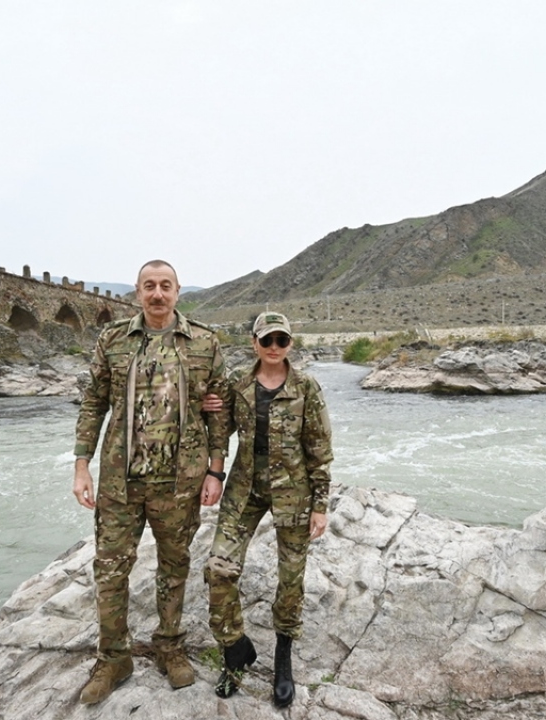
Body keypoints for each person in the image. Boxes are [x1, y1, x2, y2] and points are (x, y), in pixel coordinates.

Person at [71, 259, 229, 705]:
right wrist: (81, 464)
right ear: (138, 293)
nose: (157, 294)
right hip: (121, 481)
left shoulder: (204, 341)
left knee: (174, 566)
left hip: (180, 482)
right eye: (148, 286)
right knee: (110, 569)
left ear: (178, 291)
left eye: (165, 286)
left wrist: (216, 469)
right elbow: (92, 404)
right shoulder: (113, 339)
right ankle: (113, 658)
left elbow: (221, 411)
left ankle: (169, 646)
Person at [203, 311, 333, 708]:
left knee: (290, 580)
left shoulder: (307, 387)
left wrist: (321, 504)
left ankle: (283, 657)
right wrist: (205, 405)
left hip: (294, 493)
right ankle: (235, 650)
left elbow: (320, 447)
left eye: (281, 340)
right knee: (218, 568)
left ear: (290, 344)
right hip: (245, 490)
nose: (274, 348)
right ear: (254, 344)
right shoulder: (237, 385)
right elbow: (217, 432)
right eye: (267, 341)